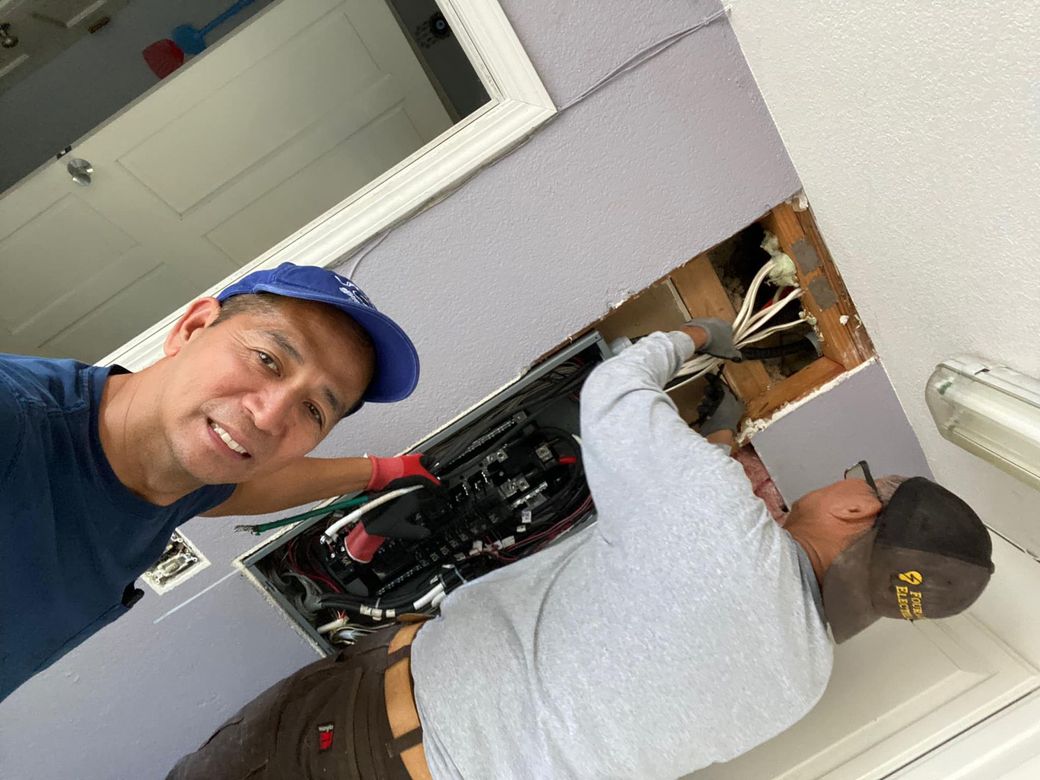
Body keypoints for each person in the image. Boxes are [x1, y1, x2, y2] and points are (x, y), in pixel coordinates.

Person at [166, 320, 994, 780]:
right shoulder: (802, 684)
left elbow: (612, 391)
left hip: (352, 749)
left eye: (861, 480)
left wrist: (695, 336)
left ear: (855, 508)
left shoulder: (724, 534)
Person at [0, 262, 439, 703]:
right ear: (191, 328)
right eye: (267, 360)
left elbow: (250, 489)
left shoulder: (185, 476)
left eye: (313, 411)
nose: (268, 418)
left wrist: (384, 471)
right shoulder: (14, 418)